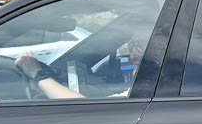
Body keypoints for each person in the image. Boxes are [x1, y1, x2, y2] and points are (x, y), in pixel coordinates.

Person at [14, 25, 149, 100]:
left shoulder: (149, 93)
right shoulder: (156, 91)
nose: (132, 55)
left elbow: (81, 108)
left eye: (140, 46)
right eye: (132, 45)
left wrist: (37, 74)